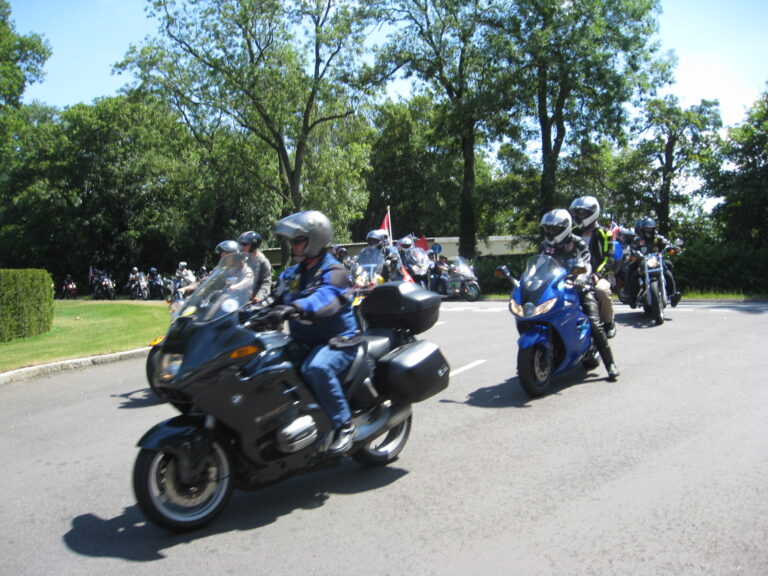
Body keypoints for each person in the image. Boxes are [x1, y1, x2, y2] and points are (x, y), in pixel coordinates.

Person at [265, 210, 359, 454]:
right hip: (303, 341)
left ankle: (343, 425)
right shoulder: (292, 273)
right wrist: (244, 311)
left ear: (315, 239)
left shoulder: (336, 271)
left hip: (337, 341)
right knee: (265, 365)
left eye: (298, 240)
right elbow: (273, 298)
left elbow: (324, 300)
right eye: (292, 242)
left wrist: (294, 307)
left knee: (316, 368)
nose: (293, 246)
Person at [540, 209, 620, 381]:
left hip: (579, 286)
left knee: (593, 322)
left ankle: (610, 364)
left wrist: (582, 277)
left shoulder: (577, 242)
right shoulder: (546, 245)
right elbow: (539, 265)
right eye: (549, 229)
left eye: (555, 229)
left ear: (564, 228)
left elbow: (586, 262)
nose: (551, 233)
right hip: (556, 287)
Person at [569, 196, 617, 338]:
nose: (578, 216)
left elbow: (609, 258)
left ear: (592, 213)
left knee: (601, 291)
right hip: (577, 273)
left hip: (601, 273)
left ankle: (609, 323)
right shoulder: (573, 232)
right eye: (576, 213)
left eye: (582, 213)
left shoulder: (604, 232)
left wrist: (597, 274)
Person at [625, 216, 681, 309]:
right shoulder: (638, 241)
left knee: (668, 272)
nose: (649, 231)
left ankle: (673, 296)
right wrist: (632, 253)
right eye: (647, 229)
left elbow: (667, 243)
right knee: (634, 275)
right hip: (643, 262)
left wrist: (672, 247)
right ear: (643, 229)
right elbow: (632, 249)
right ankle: (632, 298)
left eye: (650, 229)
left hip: (657, 261)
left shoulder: (658, 238)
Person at [238, 230, 272, 303]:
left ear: (254, 245)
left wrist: (259, 297)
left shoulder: (263, 261)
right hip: (244, 300)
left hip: (256, 302)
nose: (242, 246)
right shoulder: (245, 259)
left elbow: (266, 282)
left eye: (245, 244)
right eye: (241, 244)